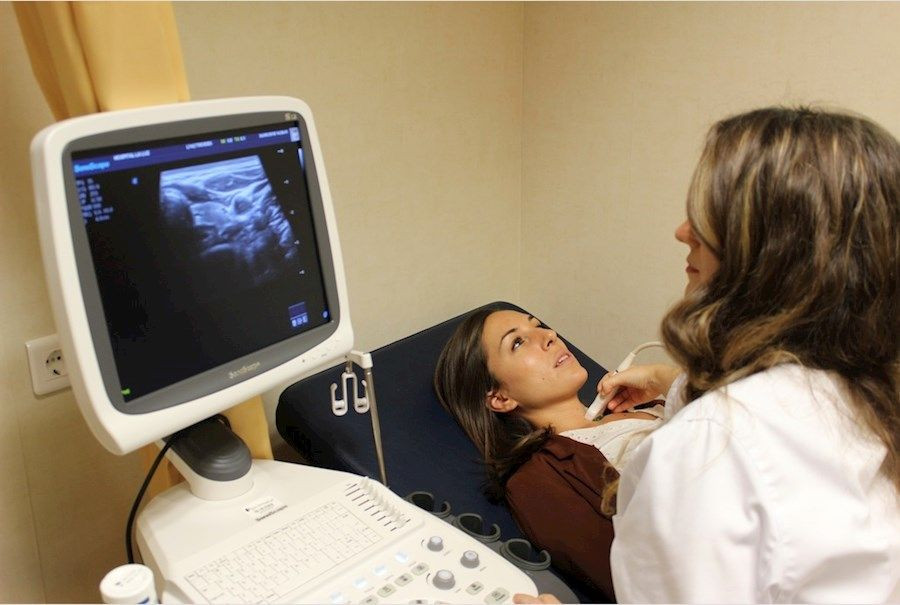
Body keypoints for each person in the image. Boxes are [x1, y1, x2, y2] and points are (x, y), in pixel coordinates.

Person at [517, 106, 900, 603]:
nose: (683, 231)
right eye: (517, 341)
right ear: (498, 397)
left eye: (711, 215)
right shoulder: (863, 389)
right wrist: (675, 382)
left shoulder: (711, 446)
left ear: (773, 253)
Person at [434, 306, 665, 601]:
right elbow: (651, 580)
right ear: (501, 398)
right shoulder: (540, 477)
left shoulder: (649, 402)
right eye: (518, 342)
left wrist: (667, 379)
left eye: (537, 325)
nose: (549, 335)